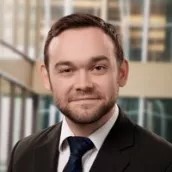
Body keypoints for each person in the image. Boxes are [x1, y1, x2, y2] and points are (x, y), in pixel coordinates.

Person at [8, 13, 172, 172]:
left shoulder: (163, 161)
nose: (83, 85)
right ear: (46, 77)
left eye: (98, 68)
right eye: (67, 70)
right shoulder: (23, 153)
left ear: (122, 73)